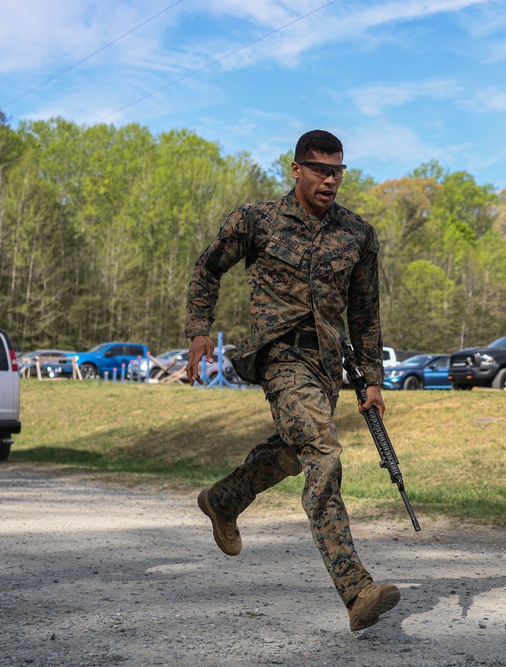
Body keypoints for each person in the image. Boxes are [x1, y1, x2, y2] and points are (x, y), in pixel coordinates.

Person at [184, 130, 399, 632]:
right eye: (320, 169)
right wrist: (199, 332)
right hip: (278, 356)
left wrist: (371, 378)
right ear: (296, 169)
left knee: (293, 450)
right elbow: (206, 270)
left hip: (327, 365)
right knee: (324, 453)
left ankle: (224, 499)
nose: (330, 179)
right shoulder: (255, 220)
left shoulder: (357, 234)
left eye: (338, 170)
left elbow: (366, 312)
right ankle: (355, 589)